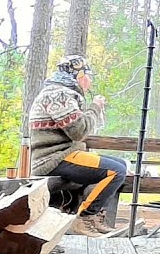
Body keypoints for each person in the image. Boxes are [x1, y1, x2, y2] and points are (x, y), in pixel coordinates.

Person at [27, 55, 128, 236]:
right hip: (54, 158)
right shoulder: (59, 94)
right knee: (116, 171)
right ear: (79, 75)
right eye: (89, 75)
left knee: (120, 165)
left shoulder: (61, 92)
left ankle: (94, 217)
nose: (90, 80)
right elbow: (78, 131)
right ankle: (84, 219)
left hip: (64, 154)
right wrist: (95, 107)